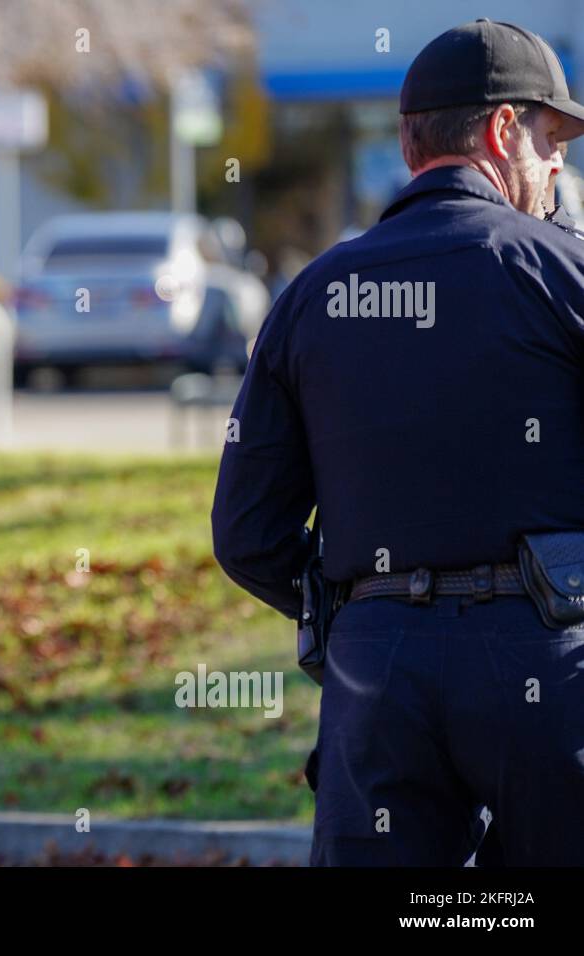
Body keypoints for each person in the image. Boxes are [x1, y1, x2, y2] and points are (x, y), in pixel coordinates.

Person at [211, 19, 584, 865]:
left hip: (374, 673)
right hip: (548, 659)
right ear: (500, 132)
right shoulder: (563, 273)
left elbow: (245, 535)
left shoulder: (310, 296)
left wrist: (359, 611)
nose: (559, 163)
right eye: (552, 139)